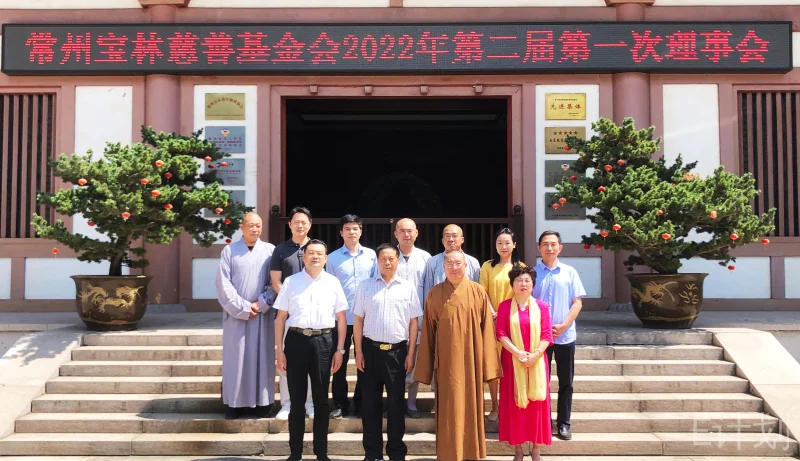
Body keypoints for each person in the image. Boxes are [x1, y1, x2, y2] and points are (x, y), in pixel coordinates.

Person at [414, 250, 501, 461]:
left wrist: (488, 364)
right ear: (443, 267)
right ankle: (448, 454)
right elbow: (428, 333)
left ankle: (471, 453)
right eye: (450, 264)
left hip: (472, 360)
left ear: (466, 266)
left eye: (458, 263)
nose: (454, 267)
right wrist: (425, 367)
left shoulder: (478, 292)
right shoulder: (434, 293)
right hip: (446, 363)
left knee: (471, 406)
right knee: (449, 408)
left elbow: (487, 331)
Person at [275, 239, 348, 461]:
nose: (315, 256)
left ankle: (321, 453)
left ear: (325, 258)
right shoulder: (291, 282)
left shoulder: (333, 282)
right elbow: (280, 318)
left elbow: (341, 318)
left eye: (319, 254)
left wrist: (340, 349)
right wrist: (279, 351)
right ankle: (295, 453)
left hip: (324, 342)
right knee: (296, 401)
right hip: (296, 341)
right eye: (311, 253)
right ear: (304, 257)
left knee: (321, 400)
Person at [353, 243, 422, 461]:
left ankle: (396, 452)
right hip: (371, 352)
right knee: (370, 404)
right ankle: (372, 453)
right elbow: (358, 320)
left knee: (395, 404)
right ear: (377, 261)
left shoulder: (408, 287)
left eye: (391, 258)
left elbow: (413, 323)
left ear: (398, 261)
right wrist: (358, 352)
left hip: (397, 353)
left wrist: (410, 354)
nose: (387, 262)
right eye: (383, 258)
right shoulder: (365, 286)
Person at [215, 212, 277, 420]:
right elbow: (223, 284)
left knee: (262, 358)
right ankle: (235, 404)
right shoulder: (229, 251)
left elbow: (275, 283)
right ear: (241, 227)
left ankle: (263, 404)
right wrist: (242, 307)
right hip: (236, 316)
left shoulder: (270, 251)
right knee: (236, 358)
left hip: (261, 315)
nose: (255, 229)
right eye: (251, 225)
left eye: (258, 225)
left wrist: (261, 303)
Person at [533, 230, 586, 441]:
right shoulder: (532, 274)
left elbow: (577, 303)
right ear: (538, 248)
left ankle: (564, 423)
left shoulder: (570, 272)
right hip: (540, 338)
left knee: (566, 382)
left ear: (560, 247)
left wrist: (564, 325)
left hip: (565, 336)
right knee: (541, 381)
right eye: (545, 244)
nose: (549, 248)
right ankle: (544, 422)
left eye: (553, 244)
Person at [496, 263, 552, 461]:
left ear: (533, 284)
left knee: (536, 405)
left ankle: (536, 450)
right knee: (515, 406)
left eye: (527, 280)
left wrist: (535, 354)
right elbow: (501, 333)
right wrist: (518, 353)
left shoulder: (542, 307)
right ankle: (518, 451)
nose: (523, 284)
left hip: (537, 363)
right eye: (519, 280)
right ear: (512, 284)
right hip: (512, 362)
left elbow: (546, 334)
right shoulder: (504, 307)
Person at [326, 214, 376, 419]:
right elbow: (328, 287)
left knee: (365, 361)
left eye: (355, 228)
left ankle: (361, 402)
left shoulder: (372, 256)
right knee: (339, 362)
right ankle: (340, 404)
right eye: (347, 228)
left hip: (366, 319)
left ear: (361, 231)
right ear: (341, 232)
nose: (352, 232)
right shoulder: (332, 258)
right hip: (342, 319)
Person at [270, 206, 314, 420]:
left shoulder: (316, 248)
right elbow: (275, 281)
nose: (300, 225)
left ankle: (310, 403)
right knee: (285, 360)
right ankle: (287, 404)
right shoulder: (280, 250)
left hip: (312, 314)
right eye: (296, 221)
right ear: (289, 225)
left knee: (312, 362)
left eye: (303, 222)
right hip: (287, 313)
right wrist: (290, 302)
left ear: (310, 225)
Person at [479, 227, 521, 422]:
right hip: (491, 321)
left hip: (513, 322)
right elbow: (482, 291)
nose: (503, 246)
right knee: (493, 366)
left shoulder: (520, 267)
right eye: (499, 243)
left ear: (514, 245)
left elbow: (523, 294)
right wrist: (492, 311)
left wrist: (505, 314)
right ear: (495, 245)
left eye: (507, 243)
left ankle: (510, 405)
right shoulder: (488, 266)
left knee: (511, 366)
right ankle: (495, 405)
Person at [392, 218, 431, 419]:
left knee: (413, 363)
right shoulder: (388, 256)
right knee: (394, 363)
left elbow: (430, 290)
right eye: (402, 231)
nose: (406, 235)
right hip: (393, 319)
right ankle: (395, 403)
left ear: (416, 233)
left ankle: (412, 403)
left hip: (418, 319)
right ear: (395, 234)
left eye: (410, 231)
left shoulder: (426, 258)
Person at [421, 224, 480, 299]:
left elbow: (476, 289)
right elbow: (428, 289)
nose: (451, 239)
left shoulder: (473, 262)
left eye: (454, 236)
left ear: (462, 240)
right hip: (439, 304)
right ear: (443, 240)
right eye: (447, 236)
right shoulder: (432, 262)